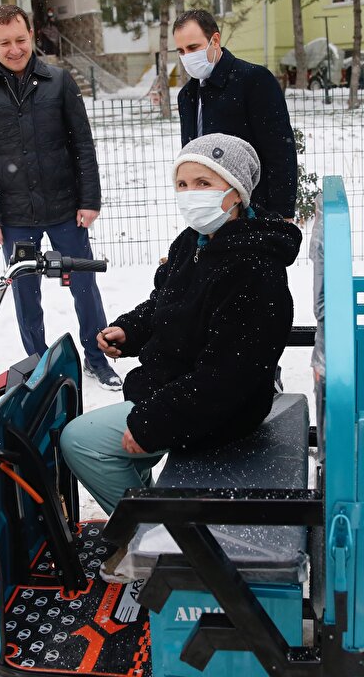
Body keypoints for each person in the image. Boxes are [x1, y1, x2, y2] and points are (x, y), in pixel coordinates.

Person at [60, 133, 301, 515]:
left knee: (80, 441)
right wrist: (131, 330)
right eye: (183, 184)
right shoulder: (194, 243)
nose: (191, 194)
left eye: (204, 183)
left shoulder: (254, 270)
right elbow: (168, 301)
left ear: (235, 192)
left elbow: (228, 377)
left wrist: (153, 423)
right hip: (175, 387)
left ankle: (154, 538)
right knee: (113, 443)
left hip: (222, 411)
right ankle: (155, 519)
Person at [0, 4, 122, 389]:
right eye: (5, 43)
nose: (15, 49)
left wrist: (90, 200)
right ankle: (38, 364)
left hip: (66, 209)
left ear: (31, 36)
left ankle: (96, 357)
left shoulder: (60, 81)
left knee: (85, 289)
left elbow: (83, 145)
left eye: (20, 39)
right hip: (15, 215)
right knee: (25, 297)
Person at [174, 9, 299, 221]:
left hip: (253, 212)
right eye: (181, 51)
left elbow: (280, 151)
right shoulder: (187, 96)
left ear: (215, 40)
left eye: (193, 47)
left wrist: (282, 214)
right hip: (207, 214)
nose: (187, 57)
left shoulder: (253, 81)